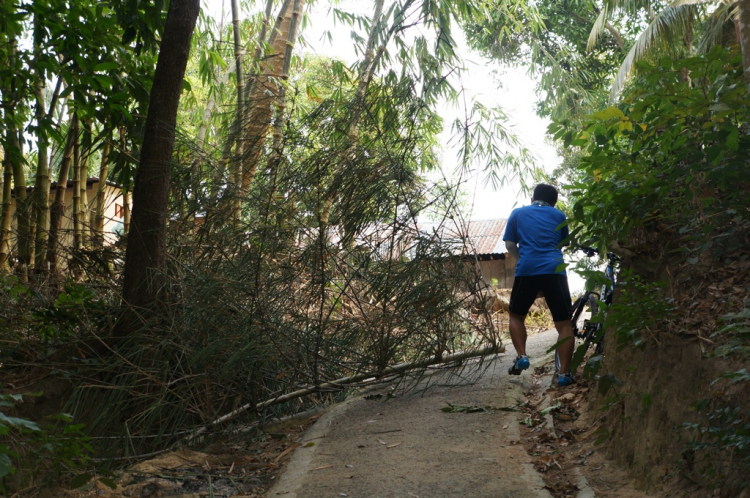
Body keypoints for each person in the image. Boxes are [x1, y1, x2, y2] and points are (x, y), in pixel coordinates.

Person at [502, 183, 575, 387]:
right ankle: (563, 374)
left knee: (516, 315)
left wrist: (524, 260)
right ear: (554, 202)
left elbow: (509, 245)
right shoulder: (559, 215)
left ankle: (522, 356)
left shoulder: (517, 214)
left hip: (527, 270)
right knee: (564, 325)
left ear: (532, 199)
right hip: (555, 271)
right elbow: (561, 244)